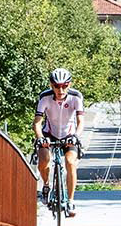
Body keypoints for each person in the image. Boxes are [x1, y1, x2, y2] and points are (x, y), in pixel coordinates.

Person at [33, 67, 85, 215]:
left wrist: (75, 136)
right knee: (44, 159)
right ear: (51, 85)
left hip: (69, 134)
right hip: (49, 133)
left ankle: (71, 201)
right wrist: (41, 139)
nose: (60, 89)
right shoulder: (45, 97)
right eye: (56, 86)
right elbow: (37, 123)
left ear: (69, 84)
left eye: (64, 85)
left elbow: (81, 121)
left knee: (70, 162)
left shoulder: (76, 96)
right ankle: (46, 186)